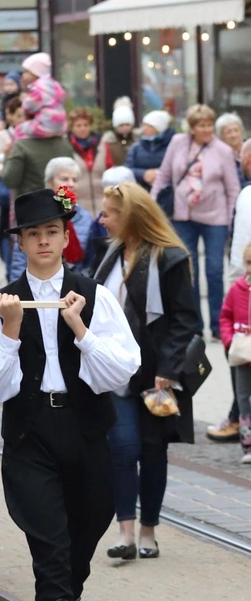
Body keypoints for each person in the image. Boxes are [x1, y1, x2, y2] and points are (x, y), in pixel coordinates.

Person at [0, 188, 141, 601]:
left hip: (87, 436)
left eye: (52, 233)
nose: (43, 242)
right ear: (18, 242)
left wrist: (80, 330)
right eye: (32, 234)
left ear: (66, 237)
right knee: (51, 557)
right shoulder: (1, 301)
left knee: (76, 561)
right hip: (30, 438)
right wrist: (11, 330)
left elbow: (121, 370)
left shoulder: (94, 295)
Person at [94, 183, 202, 561]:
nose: (101, 219)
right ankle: (124, 530)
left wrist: (169, 370)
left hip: (157, 375)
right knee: (122, 448)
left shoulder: (169, 258)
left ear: (131, 217)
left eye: (109, 213)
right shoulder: (110, 255)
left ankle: (148, 530)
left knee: (154, 451)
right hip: (118, 373)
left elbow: (186, 320)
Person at [152, 104, 240, 339]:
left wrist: (231, 220)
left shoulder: (222, 150)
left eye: (210, 124)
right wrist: (151, 205)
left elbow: (232, 188)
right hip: (183, 216)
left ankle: (217, 324)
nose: (207, 129)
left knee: (214, 270)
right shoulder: (178, 143)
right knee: (189, 271)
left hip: (215, 218)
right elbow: (164, 175)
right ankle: (195, 326)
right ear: (192, 128)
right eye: (202, 125)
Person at [221, 243, 251, 461]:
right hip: (241, 354)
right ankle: (247, 444)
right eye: (248, 262)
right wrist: (229, 340)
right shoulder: (237, 289)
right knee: (242, 398)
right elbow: (225, 316)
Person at [66, 108, 106, 217]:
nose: (83, 128)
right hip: (78, 206)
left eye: (86, 125)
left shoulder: (102, 144)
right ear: (72, 127)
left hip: (102, 204)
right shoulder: (66, 147)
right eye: (78, 126)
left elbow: (109, 169)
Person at [102, 99, 136, 170]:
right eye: (121, 125)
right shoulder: (108, 141)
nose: (124, 128)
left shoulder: (138, 140)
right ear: (115, 126)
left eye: (127, 124)